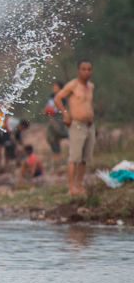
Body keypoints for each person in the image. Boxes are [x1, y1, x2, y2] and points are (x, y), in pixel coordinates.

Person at [54, 61, 95, 195]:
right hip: (77, 124)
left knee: (85, 157)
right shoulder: (73, 85)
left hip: (89, 124)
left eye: (88, 69)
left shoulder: (91, 86)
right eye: (83, 69)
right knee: (74, 157)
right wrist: (65, 115)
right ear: (78, 71)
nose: (86, 72)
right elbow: (58, 98)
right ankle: (71, 187)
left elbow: (88, 104)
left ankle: (79, 185)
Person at [43, 81, 69, 164]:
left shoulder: (62, 97)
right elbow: (48, 106)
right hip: (51, 119)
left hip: (58, 118)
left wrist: (50, 110)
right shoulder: (52, 96)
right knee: (51, 137)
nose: (54, 88)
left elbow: (59, 108)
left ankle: (70, 135)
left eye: (56, 87)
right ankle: (57, 154)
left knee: (59, 133)